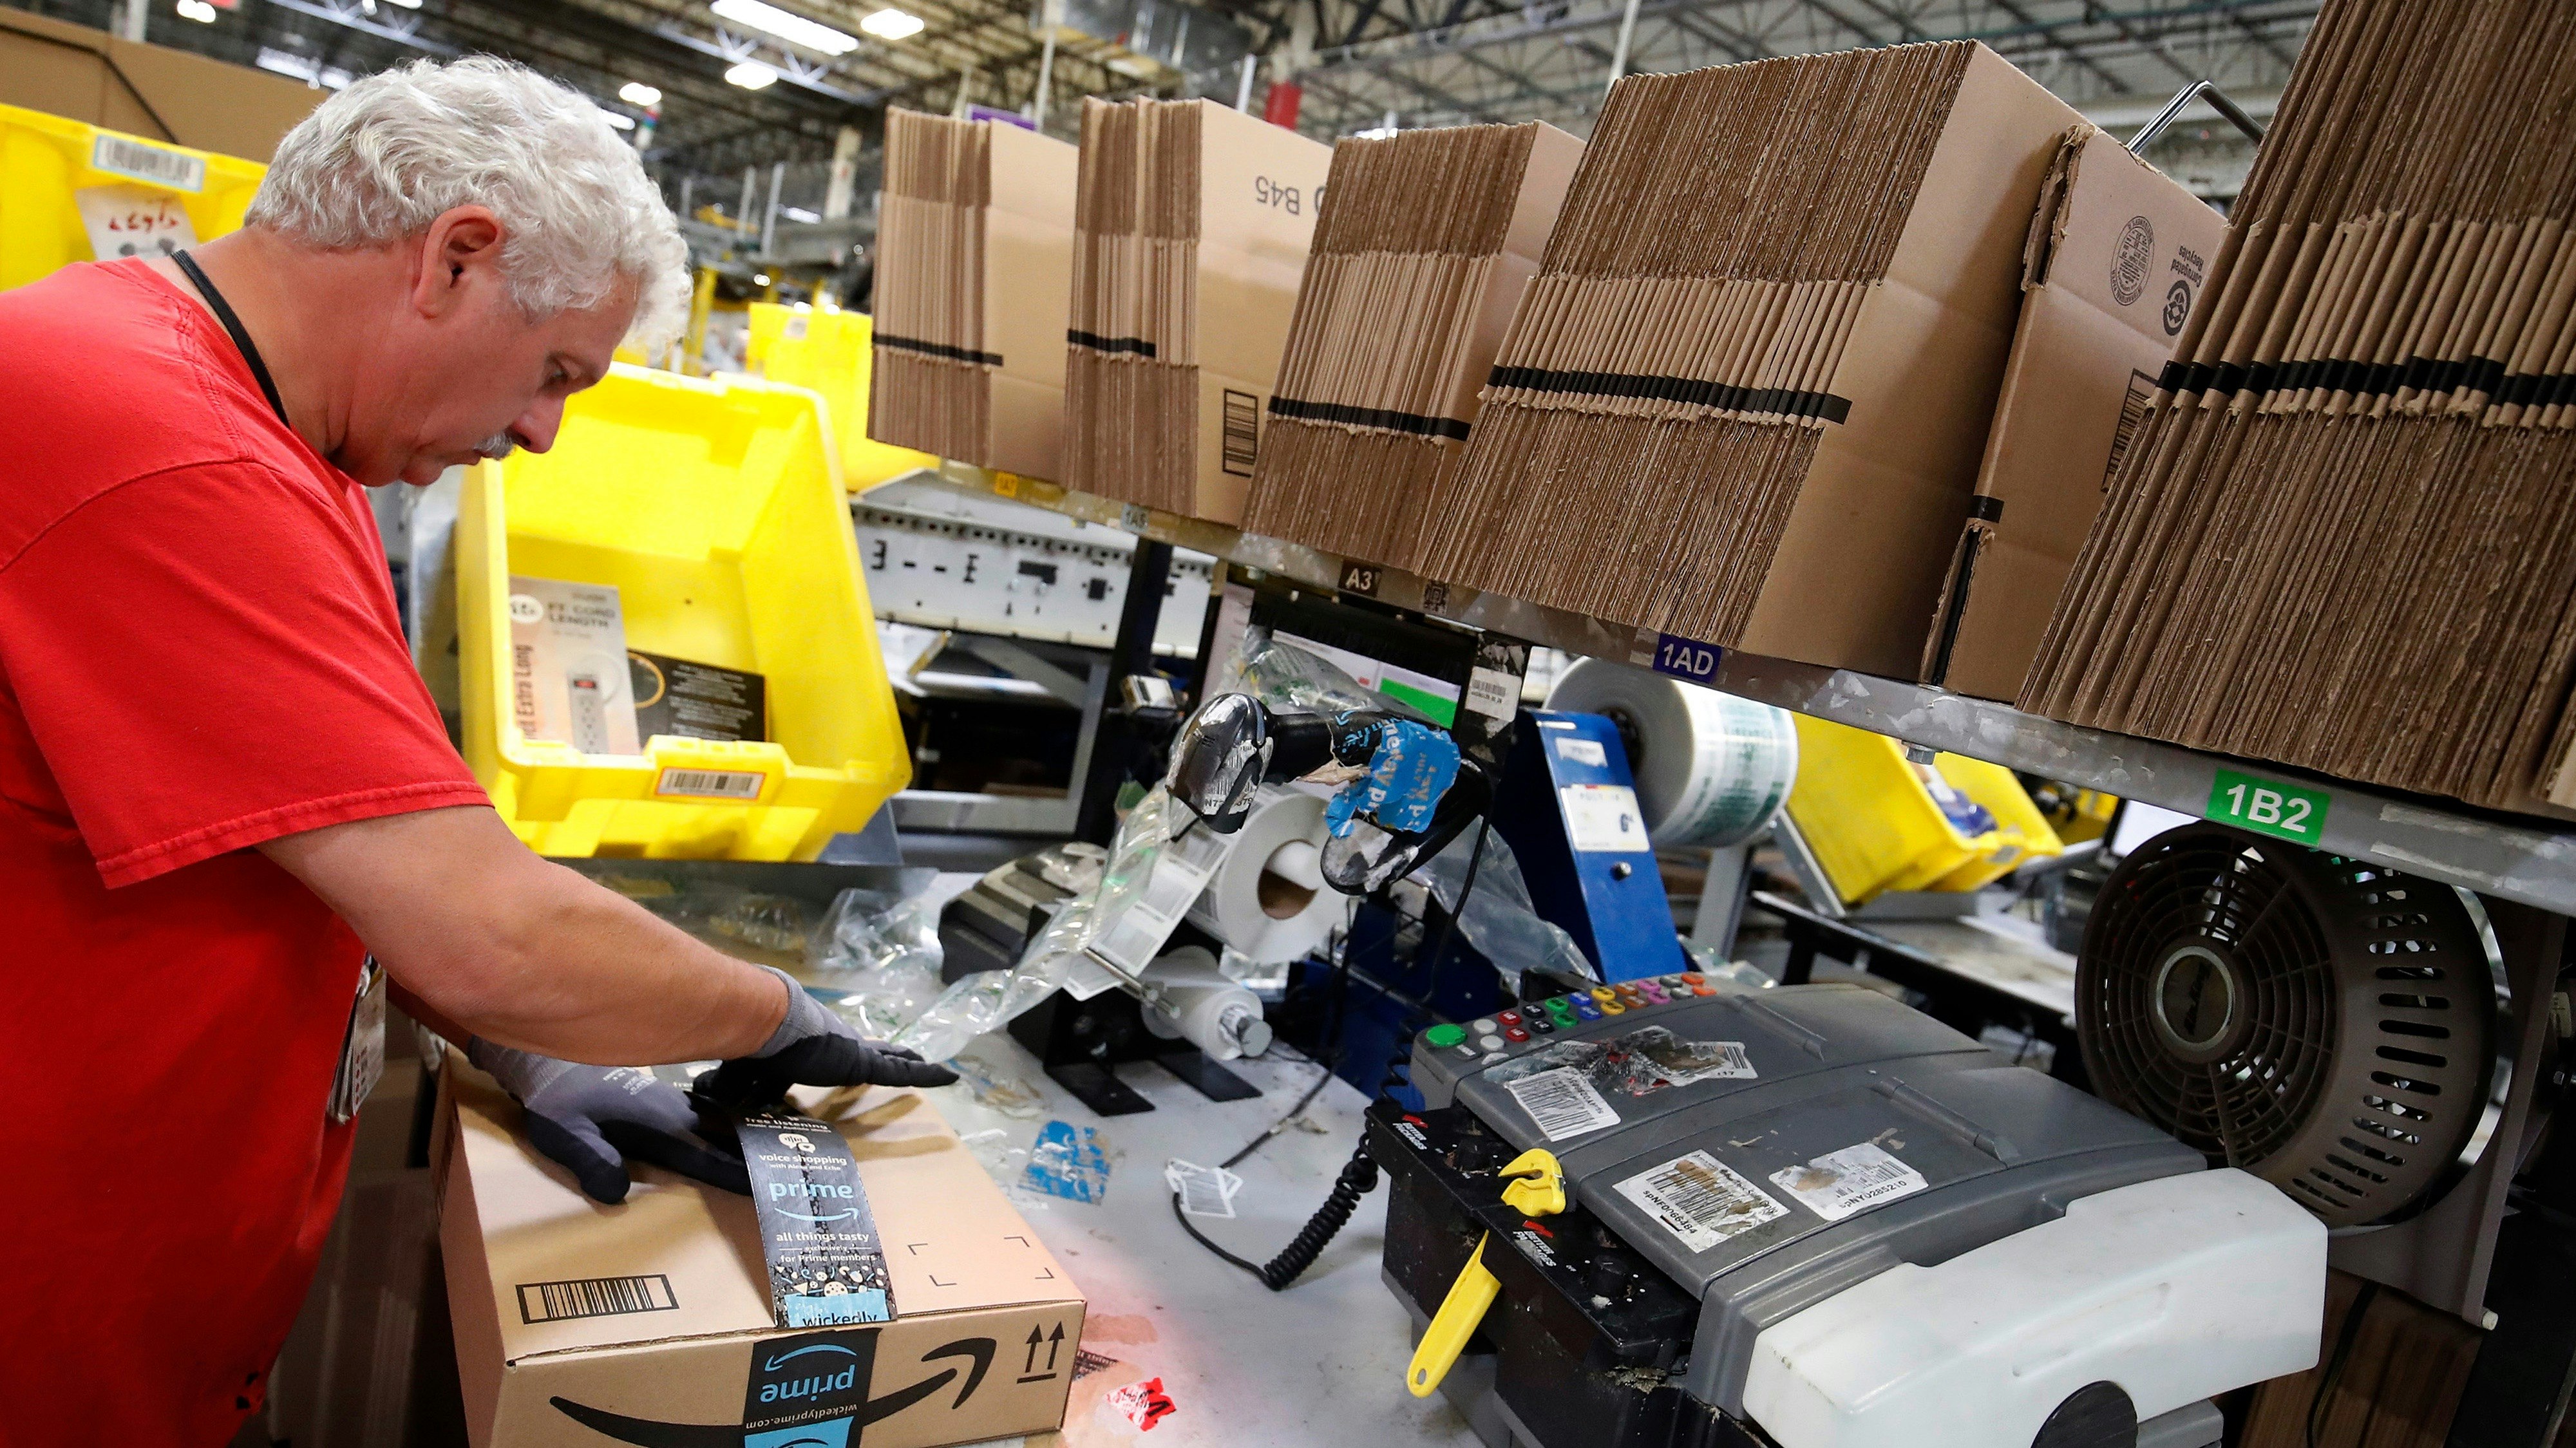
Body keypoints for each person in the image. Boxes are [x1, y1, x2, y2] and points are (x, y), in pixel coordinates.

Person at [0, 57, 950, 1443]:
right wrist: (776, 1016)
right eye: (555, 370)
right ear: (456, 257)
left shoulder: (258, 431)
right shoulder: (164, 449)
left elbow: (325, 829)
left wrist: (526, 1045)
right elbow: (485, 930)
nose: (540, 432)